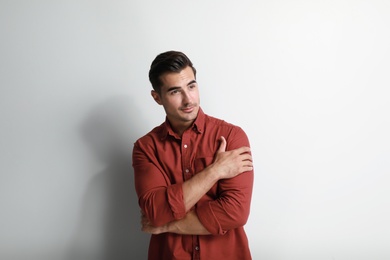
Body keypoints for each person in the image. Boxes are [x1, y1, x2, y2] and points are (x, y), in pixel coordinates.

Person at [132, 50, 254, 260]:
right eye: (174, 92)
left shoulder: (231, 136)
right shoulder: (146, 147)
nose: (188, 99)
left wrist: (167, 225)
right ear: (157, 97)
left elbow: (235, 213)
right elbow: (155, 212)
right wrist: (215, 171)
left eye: (191, 86)